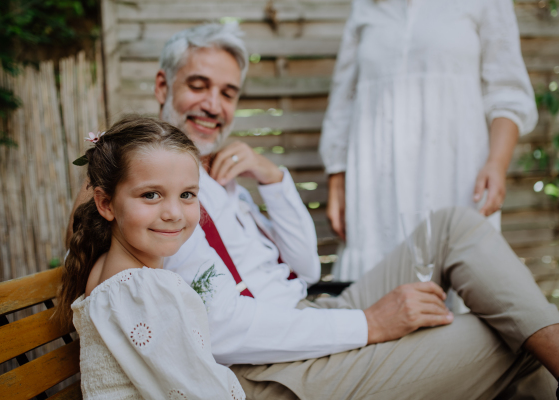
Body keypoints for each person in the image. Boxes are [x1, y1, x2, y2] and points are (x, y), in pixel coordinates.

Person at [65, 24, 559, 398]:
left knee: (456, 228)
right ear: (162, 86)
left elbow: (301, 268)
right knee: (506, 328)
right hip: (272, 365)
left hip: (307, 315)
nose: (213, 104)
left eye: (228, 92)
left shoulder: (205, 181)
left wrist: (272, 178)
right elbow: (218, 327)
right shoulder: (151, 194)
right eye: (199, 85)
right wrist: (370, 324)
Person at [320, 0, 538, 281]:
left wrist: (497, 163)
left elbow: (508, 91)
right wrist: (337, 181)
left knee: (459, 278)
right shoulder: (365, 6)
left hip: (455, 178)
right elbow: (343, 99)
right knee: (378, 296)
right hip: (376, 190)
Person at [56, 116, 245, 400]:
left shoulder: (109, 268)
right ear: (106, 203)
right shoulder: (142, 290)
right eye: (151, 194)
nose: (174, 213)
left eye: (186, 194)